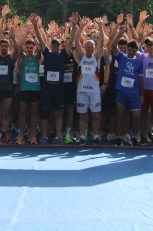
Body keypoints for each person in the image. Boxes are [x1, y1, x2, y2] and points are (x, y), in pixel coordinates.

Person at [71, 16, 106, 144]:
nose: (90, 49)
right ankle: (82, 136)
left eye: (92, 47)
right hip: (82, 91)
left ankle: (96, 136)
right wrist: (80, 26)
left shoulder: (97, 57)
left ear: (94, 48)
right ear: (85, 48)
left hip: (94, 91)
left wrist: (100, 27)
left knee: (96, 115)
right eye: (88, 47)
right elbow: (76, 40)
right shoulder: (81, 57)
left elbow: (102, 41)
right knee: (82, 115)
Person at [110, 23, 145, 146]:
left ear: (136, 51)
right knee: (120, 114)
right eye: (129, 49)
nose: (130, 52)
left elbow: (141, 79)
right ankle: (119, 137)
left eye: (133, 50)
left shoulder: (139, 62)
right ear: (127, 49)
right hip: (122, 91)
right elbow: (113, 46)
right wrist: (120, 32)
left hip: (134, 92)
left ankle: (134, 136)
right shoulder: (122, 57)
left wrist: (142, 94)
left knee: (137, 115)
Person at [34, 14, 66, 144]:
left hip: (59, 88)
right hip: (47, 87)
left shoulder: (63, 55)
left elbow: (70, 41)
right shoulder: (47, 53)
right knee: (45, 112)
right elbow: (41, 40)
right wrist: (35, 26)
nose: (55, 47)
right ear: (51, 46)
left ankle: (58, 136)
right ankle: (44, 136)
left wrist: (75, 26)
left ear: (60, 46)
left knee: (59, 113)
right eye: (53, 45)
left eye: (57, 45)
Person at [15, 38, 41, 145]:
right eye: (28, 47)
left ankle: (33, 136)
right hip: (24, 89)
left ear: (34, 48)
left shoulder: (37, 58)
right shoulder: (23, 57)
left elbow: (40, 49)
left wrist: (34, 36)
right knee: (22, 112)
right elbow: (19, 46)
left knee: (34, 112)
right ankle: (21, 135)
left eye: (31, 47)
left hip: (35, 89)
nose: (29, 49)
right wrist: (25, 34)